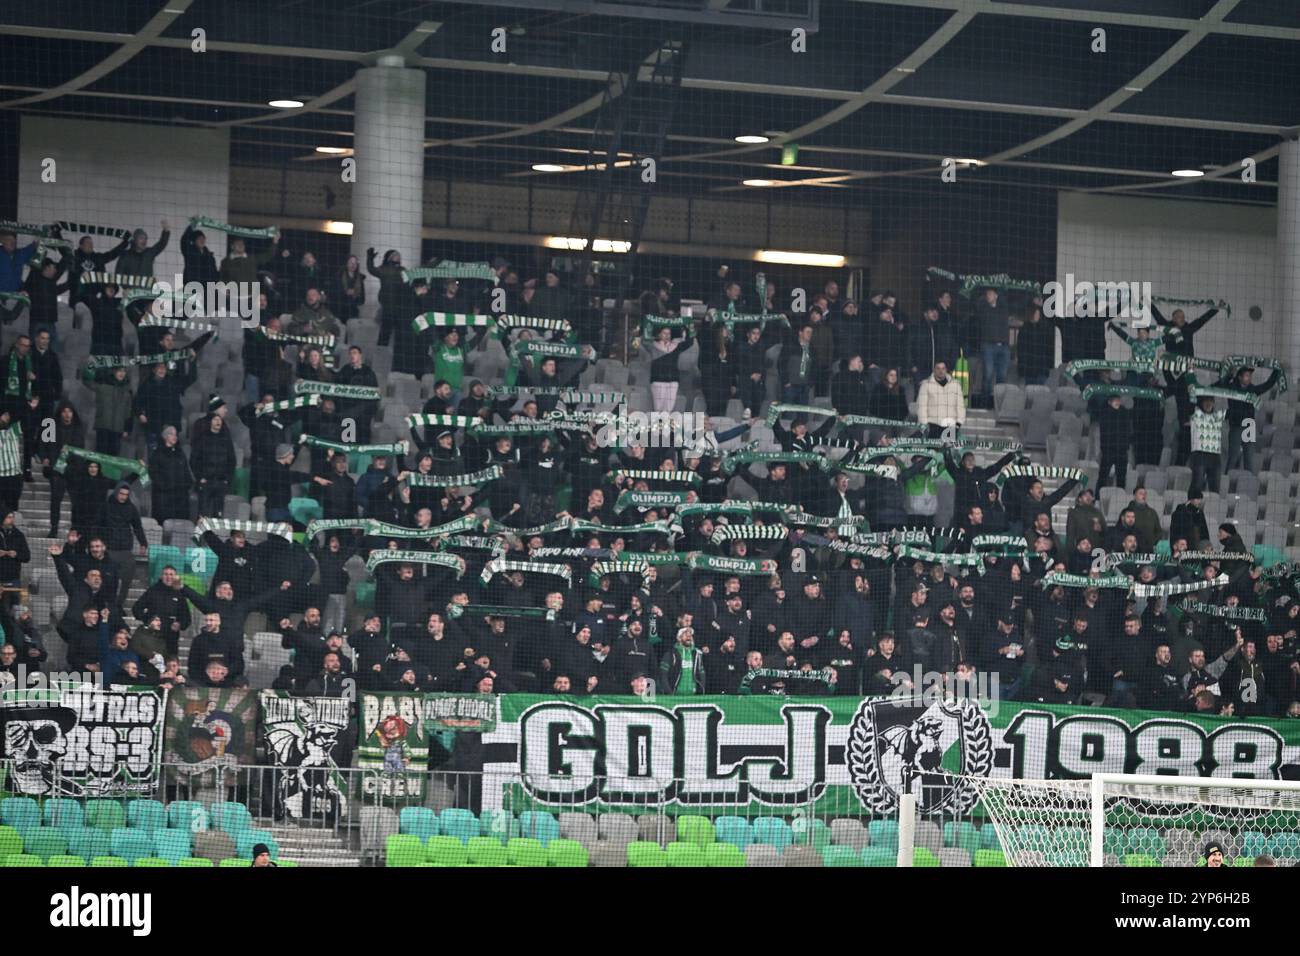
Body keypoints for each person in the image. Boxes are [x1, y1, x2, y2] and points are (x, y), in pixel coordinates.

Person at [916, 361, 965, 439]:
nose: (941, 371)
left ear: (946, 370)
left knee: (948, 450)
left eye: (943, 368)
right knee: (932, 450)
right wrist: (924, 424)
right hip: (932, 425)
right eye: (938, 368)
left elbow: (960, 405)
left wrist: (959, 422)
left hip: (950, 426)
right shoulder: (925, 385)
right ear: (934, 370)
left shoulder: (955, 385)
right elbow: (921, 407)